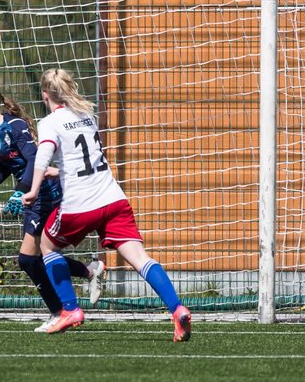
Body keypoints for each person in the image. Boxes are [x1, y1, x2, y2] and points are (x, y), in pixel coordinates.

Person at [20, 68, 192, 341]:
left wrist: (33, 189)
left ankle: (70, 310)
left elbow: (43, 158)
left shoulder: (50, 123)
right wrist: (59, 172)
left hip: (80, 204)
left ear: (45, 95)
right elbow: (81, 159)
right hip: (113, 198)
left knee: (46, 245)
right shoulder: (87, 116)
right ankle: (177, 309)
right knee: (140, 258)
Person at [0, 82, 104, 332]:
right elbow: (4, 168)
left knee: (28, 259)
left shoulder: (15, 126)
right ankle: (85, 276)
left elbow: (35, 159)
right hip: (31, 197)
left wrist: (20, 191)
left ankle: (62, 309)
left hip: (46, 194)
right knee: (31, 259)